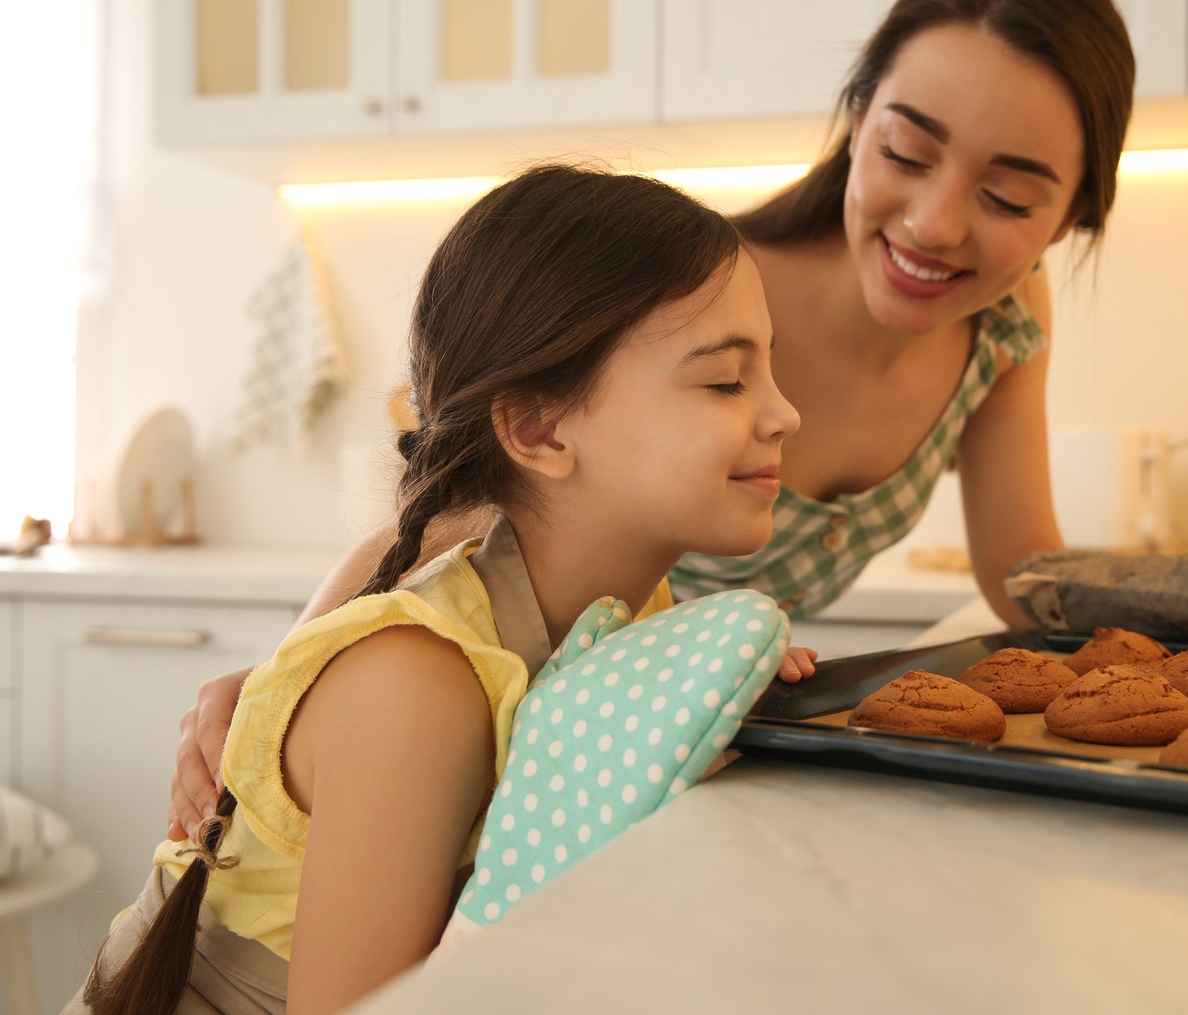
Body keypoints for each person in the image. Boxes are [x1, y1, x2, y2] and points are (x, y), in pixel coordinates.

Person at [167, 0, 1135, 840]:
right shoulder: (707, 293)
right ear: (856, 116)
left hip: (691, 765)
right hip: (538, 757)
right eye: (906, 152)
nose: (933, 222)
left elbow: (1021, 568)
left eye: (1008, 198)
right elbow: (459, 500)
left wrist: (1187, 622)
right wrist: (295, 670)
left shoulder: (1003, 324)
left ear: (1072, 213)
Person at [75, 163, 805, 1012]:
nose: (784, 413)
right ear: (537, 427)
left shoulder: (634, 600)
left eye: (769, 371)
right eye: (725, 380)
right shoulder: (417, 687)